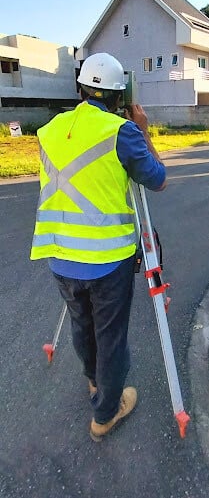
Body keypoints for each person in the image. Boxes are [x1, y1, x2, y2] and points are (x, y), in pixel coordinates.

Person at [30, 52, 166, 441]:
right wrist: (142, 131)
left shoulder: (50, 129)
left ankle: (94, 382)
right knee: (110, 336)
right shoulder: (122, 132)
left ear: (81, 88)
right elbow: (158, 180)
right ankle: (105, 412)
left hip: (59, 254)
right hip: (107, 260)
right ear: (119, 95)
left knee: (81, 324)